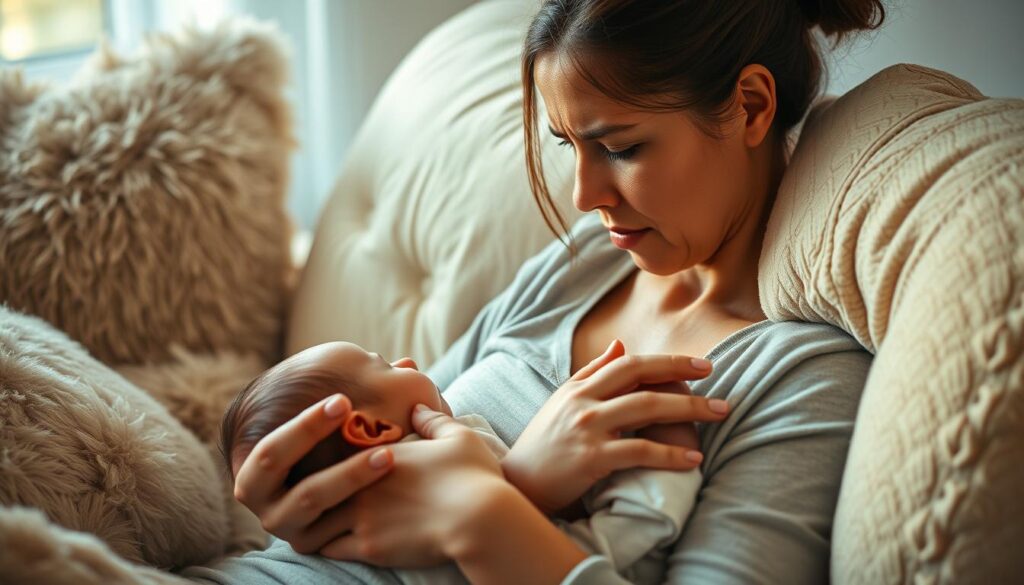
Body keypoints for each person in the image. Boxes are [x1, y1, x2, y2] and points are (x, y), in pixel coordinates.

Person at [183, 0, 883, 583]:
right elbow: (405, 441)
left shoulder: (802, 378)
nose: (584, 196)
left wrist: (486, 515)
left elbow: (448, 491)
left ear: (752, 106)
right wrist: (293, 501)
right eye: (568, 145)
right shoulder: (582, 265)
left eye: (622, 147)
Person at [218, 340, 705, 584]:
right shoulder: (454, 448)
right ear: (368, 431)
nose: (409, 361)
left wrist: (503, 503)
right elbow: (623, 546)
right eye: (386, 367)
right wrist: (665, 462)